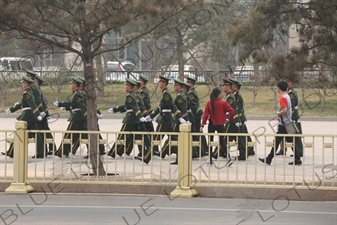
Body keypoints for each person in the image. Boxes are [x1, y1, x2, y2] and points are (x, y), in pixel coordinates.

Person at [259, 81, 302, 166]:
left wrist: (278, 113)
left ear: (279, 88)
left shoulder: (283, 97)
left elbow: (284, 110)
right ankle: (297, 159)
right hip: (287, 122)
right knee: (289, 141)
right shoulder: (287, 96)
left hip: (284, 124)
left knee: (277, 141)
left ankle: (269, 158)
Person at [2, 77, 45, 158]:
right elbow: (22, 104)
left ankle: (11, 152)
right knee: (37, 134)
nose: (22, 84)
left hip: (27, 116)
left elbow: (32, 104)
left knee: (18, 133)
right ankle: (40, 152)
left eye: (23, 82)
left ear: (26, 84)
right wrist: (11, 109)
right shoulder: (29, 92)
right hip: (31, 116)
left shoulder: (27, 93)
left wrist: (37, 114)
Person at [146, 75, 184, 160]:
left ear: (164, 83)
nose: (159, 83)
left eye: (160, 82)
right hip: (167, 119)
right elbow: (159, 108)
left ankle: (146, 157)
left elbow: (172, 106)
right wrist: (150, 116)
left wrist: (179, 117)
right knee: (174, 139)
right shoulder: (163, 93)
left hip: (164, 120)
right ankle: (180, 158)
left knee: (156, 139)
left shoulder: (166, 94)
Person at [107, 78, 146, 158]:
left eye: (126, 85)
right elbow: (127, 107)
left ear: (130, 87)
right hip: (134, 119)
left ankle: (113, 152)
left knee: (122, 136)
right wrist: (115, 109)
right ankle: (143, 153)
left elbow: (135, 108)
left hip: (130, 119)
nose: (125, 87)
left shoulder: (130, 96)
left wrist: (140, 117)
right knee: (137, 137)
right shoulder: (132, 95)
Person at [54, 77, 88, 157]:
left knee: (69, 134)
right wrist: (62, 105)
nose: (71, 85)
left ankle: (62, 151)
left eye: (73, 83)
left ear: (76, 85)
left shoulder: (78, 94)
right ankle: (91, 152)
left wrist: (60, 104)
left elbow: (82, 106)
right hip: (81, 117)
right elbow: (72, 104)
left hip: (77, 117)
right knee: (85, 135)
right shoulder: (77, 93)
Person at [201, 87, 234, 166]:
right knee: (222, 142)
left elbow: (205, 115)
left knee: (210, 141)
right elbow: (231, 111)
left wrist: (202, 124)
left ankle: (210, 160)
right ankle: (228, 158)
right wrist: (229, 118)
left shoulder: (209, 103)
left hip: (211, 124)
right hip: (220, 124)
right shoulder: (223, 103)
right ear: (219, 94)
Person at [160, 79, 190, 164]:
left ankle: (178, 158)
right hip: (178, 118)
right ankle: (175, 157)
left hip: (178, 120)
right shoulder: (179, 95)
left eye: (175, 85)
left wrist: (183, 119)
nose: (174, 87)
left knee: (177, 140)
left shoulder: (180, 96)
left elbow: (183, 109)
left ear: (179, 87)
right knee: (175, 139)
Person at [218, 79, 246, 161]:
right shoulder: (230, 96)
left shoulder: (230, 97)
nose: (222, 88)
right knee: (238, 137)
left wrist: (236, 119)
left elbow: (234, 109)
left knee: (224, 136)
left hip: (232, 120)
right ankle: (242, 153)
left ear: (227, 87)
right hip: (234, 120)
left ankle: (217, 153)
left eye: (224, 86)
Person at [276, 78, 303, 157]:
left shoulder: (291, 94)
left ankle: (298, 152)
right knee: (285, 136)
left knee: (293, 136)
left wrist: (280, 114)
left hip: (291, 117)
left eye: (288, 81)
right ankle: (283, 149)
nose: (287, 83)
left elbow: (289, 107)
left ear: (291, 82)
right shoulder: (287, 93)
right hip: (286, 119)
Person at [229, 78, 255, 156]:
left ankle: (248, 149)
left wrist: (238, 118)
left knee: (242, 134)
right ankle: (249, 149)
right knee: (244, 134)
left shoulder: (237, 95)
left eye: (231, 85)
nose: (230, 87)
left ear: (235, 86)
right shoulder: (235, 95)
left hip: (239, 118)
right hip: (240, 118)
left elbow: (238, 108)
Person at [34, 75, 57, 155]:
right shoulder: (37, 91)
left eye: (34, 81)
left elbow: (43, 104)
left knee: (45, 131)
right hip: (41, 114)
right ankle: (50, 148)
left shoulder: (38, 92)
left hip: (41, 114)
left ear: (37, 83)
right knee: (45, 131)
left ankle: (51, 148)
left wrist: (46, 114)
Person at [186, 76, 208, 156]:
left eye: (189, 83)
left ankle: (201, 150)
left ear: (192, 84)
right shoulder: (192, 92)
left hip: (195, 115)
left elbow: (193, 105)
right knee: (199, 133)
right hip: (195, 114)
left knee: (197, 133)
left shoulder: (191, 93)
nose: (187, 84)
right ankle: (203, 149)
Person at [134, 80, 152, 164]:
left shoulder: (141, 93)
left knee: (143, 135)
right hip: (143, 115)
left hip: (142, 116)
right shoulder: (140, 93)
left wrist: (149, 114)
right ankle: (144, 151)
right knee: (142, 135)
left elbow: (144, 105)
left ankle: (147, 151)